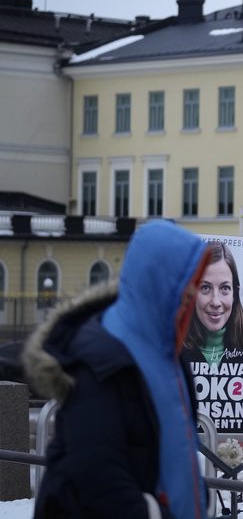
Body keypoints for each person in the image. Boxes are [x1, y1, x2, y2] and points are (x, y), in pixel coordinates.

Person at [22, 219, 209, 519]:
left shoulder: (170, 356)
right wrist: (148, 512)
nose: (194, 293)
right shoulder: (99, 359)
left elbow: (180, 445)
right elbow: (95, 470)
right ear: (156, 280)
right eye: (185, 281)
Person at [180, 242, 243, 432]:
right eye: (205, 288)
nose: (215, 302)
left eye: (224, 288)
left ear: (235, 293)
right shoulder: (174, 354)